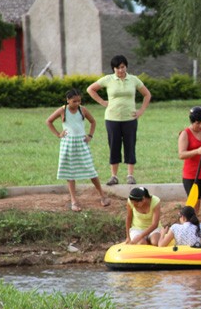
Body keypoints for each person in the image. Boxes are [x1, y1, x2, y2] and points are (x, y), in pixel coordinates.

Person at [87, 54, 151, 186]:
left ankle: (130, 175)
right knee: (114, 146)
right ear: (113, 69)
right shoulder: (108, 79)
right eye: (117, 68)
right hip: (112, 119)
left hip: (130, 119)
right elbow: (90, 89)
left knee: (130, 145)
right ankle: (114, 176)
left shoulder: (133, 80)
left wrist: (141, 111)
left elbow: (147, 94)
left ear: (126, 66)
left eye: (122, 67)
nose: (120, 70)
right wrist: (102, 101)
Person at [46, 88, 111, 212]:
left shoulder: (83, 110)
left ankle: (102, 196)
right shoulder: (62, 110)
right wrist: (58, 134)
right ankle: (74, 201)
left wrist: (90, 135)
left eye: (79, 101)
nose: (77, 104)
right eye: (74, 101)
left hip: (81, 143)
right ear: (68, 100)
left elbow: (93, 122)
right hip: (68, 144)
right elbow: (49, 121)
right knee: (70, 172)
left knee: (91, 170)